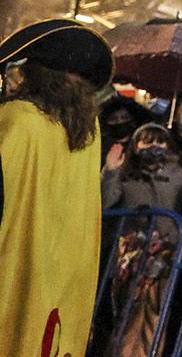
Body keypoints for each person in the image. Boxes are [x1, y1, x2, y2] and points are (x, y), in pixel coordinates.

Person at [0, 18, 114, 357]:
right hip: (63, 279)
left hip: (13, 270)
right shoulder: (87, 132)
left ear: (37, 73)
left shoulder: (15, 119)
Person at [101, 122, 182, 357]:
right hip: (130, 258)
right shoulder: (124, 174)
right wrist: (110, 171)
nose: (155, 146)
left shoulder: (180, 177)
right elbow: (104, 202)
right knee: (126, 315)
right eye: (147, 141)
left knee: (156, 315)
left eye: (160, 141)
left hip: (165, 257)